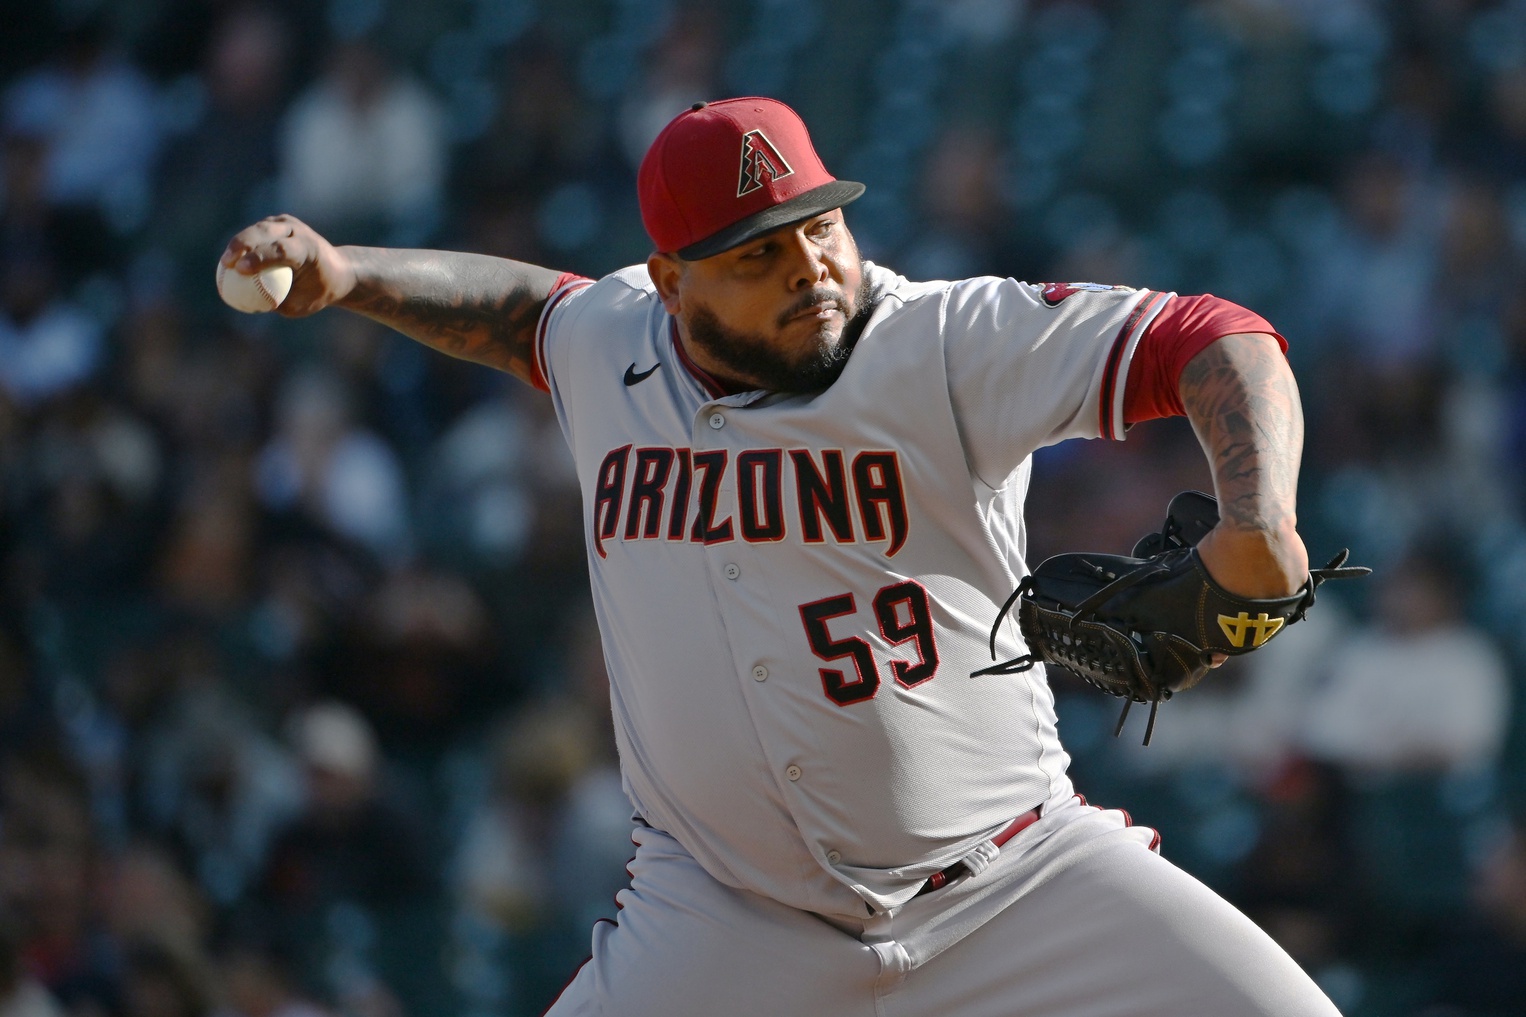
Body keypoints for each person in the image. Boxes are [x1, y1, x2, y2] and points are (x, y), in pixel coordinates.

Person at [222, 97, 1339, 1015]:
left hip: (1013, 885)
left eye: (819, 226)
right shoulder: (611, 341)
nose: (808, 266)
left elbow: (1214, 337)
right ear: (669, 283)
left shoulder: (939, 342)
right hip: (718, 923)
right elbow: (527, 312)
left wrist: (1259, 523)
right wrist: (348, 273)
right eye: (758, 255)